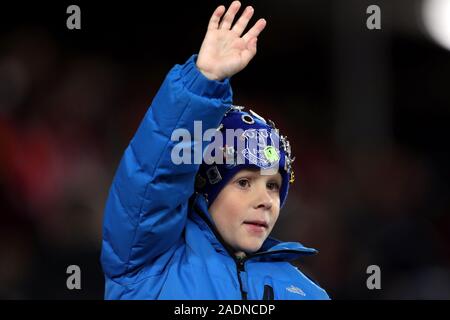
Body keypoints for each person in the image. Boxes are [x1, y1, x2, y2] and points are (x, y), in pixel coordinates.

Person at [100, 1, 329, 300]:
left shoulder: (309, 294)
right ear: (205, 187)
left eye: (273, 185)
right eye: (244, 182)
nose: (265, 201)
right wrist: (203, 81)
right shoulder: (148, 265)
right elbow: (152, 180)